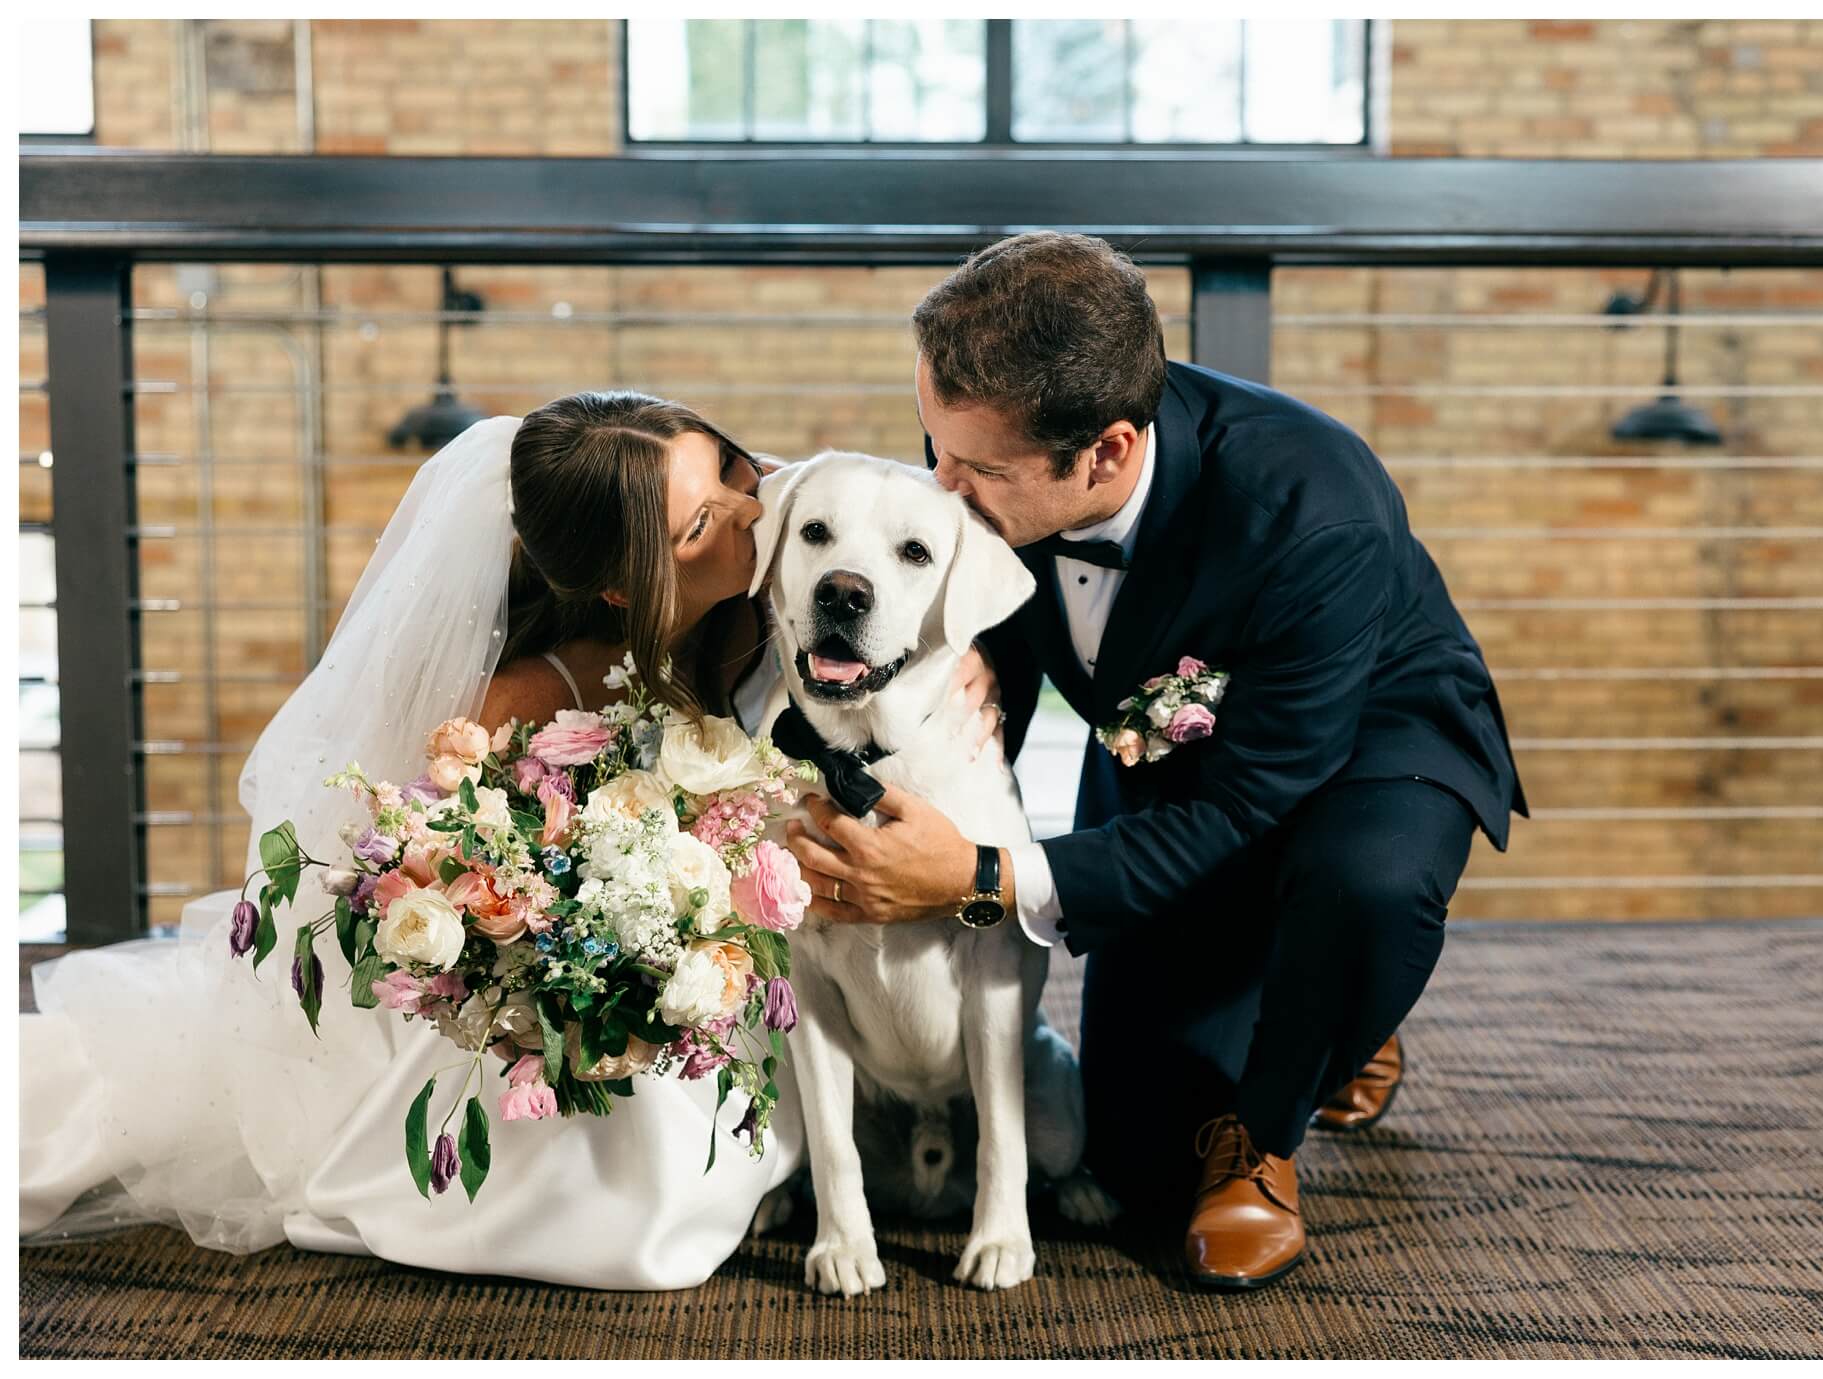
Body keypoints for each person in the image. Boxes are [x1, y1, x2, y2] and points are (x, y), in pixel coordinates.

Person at [18, 391, 997, 1289]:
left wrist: (965, 652)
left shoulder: (788, 530)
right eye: (705, 519)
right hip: (625, 955)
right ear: (626, 587)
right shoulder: (541, 692)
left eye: (736, 468)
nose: (753, 510)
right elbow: (434, 857)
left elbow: (908, 543)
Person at [780, 232, 1529, 1291]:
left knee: (1363, 889)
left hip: (1371, 746)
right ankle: (1327, 1015)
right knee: (1128, 1157)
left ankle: (1275, 1124)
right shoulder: (1014, 463)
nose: (940, 490)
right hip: (1166, 737)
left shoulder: (1316, 510)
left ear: (1107, 453)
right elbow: (991, 602)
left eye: (976, 469)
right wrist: (977, 673)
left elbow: (1242, 806)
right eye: (931, 444)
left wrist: (981, 876)